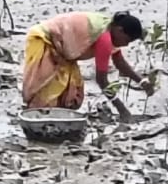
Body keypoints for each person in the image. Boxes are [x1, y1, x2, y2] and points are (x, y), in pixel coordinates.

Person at [21, 11, 152, 116]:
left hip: (62, 49)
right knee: (44, 88)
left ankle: (55, 119)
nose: (126, 45)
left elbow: (120, 63)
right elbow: (102, 80)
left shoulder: (108, 30)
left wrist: (142, 82)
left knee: (72, 93)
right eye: (127, 40)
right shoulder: (105, 39)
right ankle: (37, 119)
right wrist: (122, 110)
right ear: (119, 30)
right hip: (45, 40)